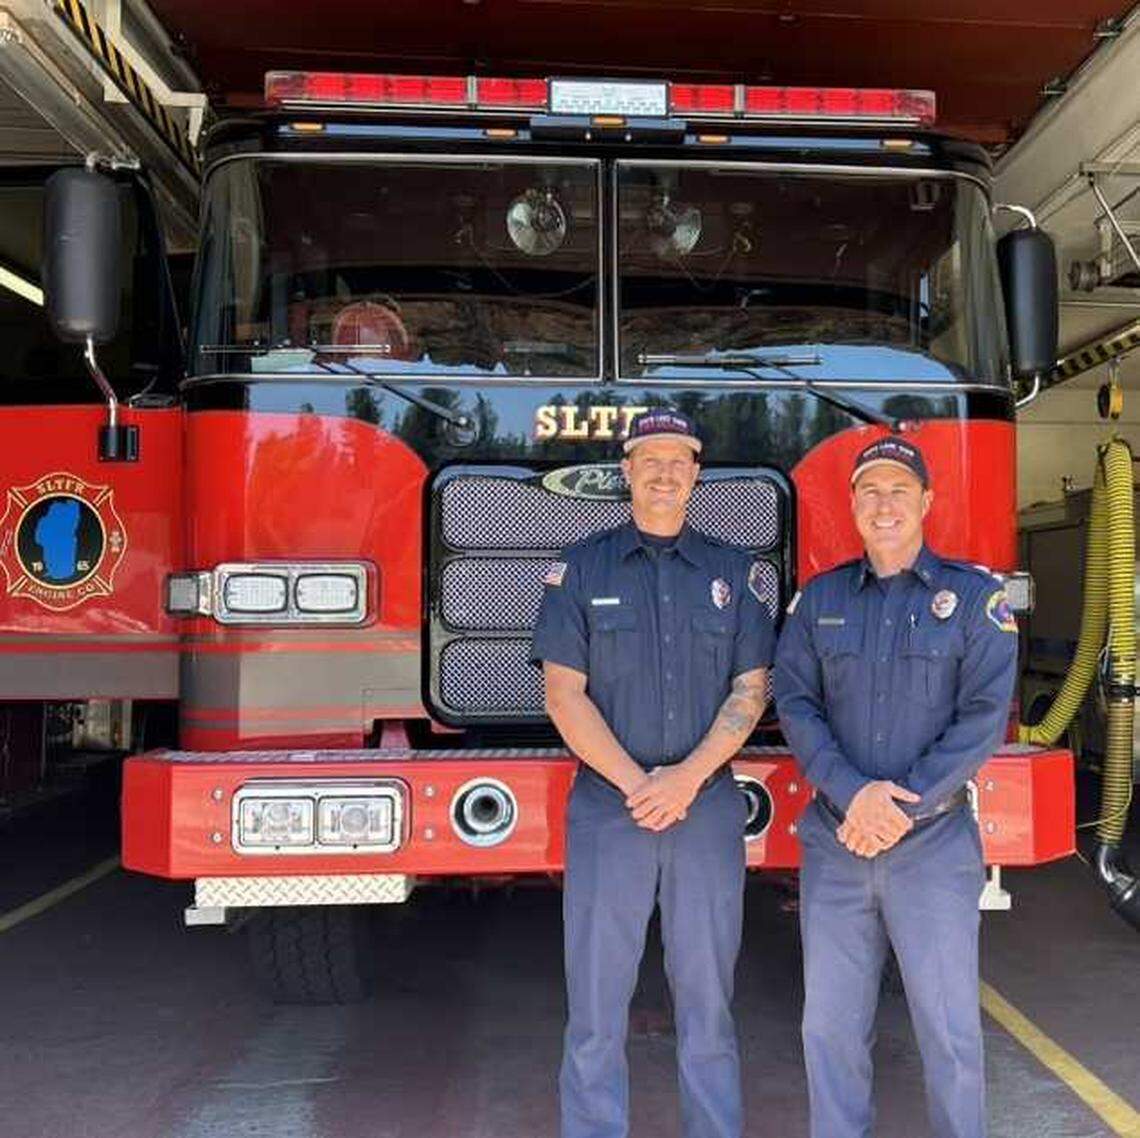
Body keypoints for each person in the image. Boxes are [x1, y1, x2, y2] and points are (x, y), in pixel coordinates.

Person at [531, 408, 775, 1138]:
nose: (665, 471)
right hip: (611, 811)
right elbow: (561, 693)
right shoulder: (580, 569)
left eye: (680, 459)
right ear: (627, 472)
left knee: (708, 1005)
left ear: (696, 474)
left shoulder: (734, 573)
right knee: (596, 1008)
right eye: (650, 459)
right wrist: (641, 785)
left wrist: (685, 781)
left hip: (703, 814)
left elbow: (751, 691)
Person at [773, 435, 1018, 1138]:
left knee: (949, 1035)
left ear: (927, 503)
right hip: (839, 842)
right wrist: (856, 796)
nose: (884, 506)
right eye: (871, 492)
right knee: (829, 1031)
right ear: (852, 504)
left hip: (933, 846)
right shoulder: (818, 603)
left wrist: (896, 806)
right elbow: (796, 705)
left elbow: (981, 719)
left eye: (899, 492)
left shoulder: (974, 600)